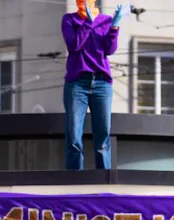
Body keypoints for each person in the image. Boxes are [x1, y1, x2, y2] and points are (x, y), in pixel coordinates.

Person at [61, 0, 123, 170]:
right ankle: (74, 179)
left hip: (101, 83)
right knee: (73, 135)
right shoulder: (69, 19)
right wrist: (88, 23)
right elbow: (74, 45)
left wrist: (114, 27)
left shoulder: (105, 19)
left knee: (103, 135)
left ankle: (104, 179)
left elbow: (109, 49)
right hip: (77, 84)